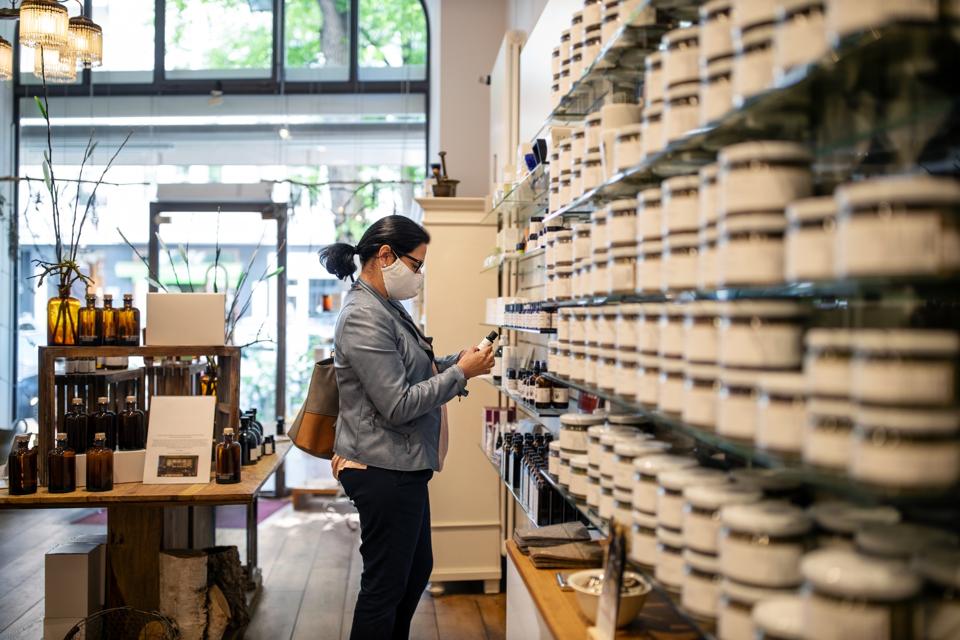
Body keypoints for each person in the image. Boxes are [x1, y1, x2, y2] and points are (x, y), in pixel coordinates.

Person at [318, 215, 494, 640]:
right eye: (416, 265)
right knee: (385, 588)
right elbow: (397, 404)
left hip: (402, 464)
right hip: (381, 470)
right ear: (385, 256)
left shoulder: (385, 307)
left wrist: (457, 361)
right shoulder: (363, 316)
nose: (418, 276)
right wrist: (461, 376)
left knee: (414, 573)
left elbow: (412, 369)